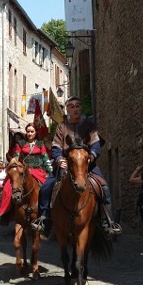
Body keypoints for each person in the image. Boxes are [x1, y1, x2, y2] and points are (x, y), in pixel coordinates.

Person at [32, 96, 121, 239]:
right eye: (71, 106)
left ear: (80, 108)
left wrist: (91, 156)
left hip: (87, 164)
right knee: (46, 188)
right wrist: (60, 159)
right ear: (67, 110)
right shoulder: (62, 127)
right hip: (65, 165)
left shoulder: (89, 125)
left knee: (104, 188)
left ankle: (108, 222)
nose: (75, 108)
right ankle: (44, 219)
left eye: (77, 106)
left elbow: (96, 144)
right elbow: (56, 146)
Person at [0, 123, 52, 225]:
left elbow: (45, 158)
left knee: (48, 187)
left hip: (38, 170)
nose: (30, 133)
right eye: (28, 131)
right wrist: (14, 163)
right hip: (23, 170)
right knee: (8, 187)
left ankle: (47, 213)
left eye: (32, 131)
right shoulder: (20, 143)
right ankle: (6, 213)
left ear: (35, 133)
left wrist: (50, 170)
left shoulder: (40, 144)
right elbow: (16, 157)